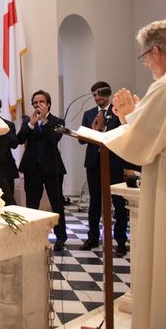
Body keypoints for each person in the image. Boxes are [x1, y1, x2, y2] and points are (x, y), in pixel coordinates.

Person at [100, 19, 166, 329]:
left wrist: (126, 116)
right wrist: (138, 115)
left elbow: (140, 145)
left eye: (145, 57)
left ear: (156, 51)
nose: (146, 64)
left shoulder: (163, 86)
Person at [79, 81, 131, 255]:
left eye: (100, 93)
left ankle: (121, 240)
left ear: (108, 93)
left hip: (114, 163)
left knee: (118, 203)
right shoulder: (89, 114)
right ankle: (93, 237)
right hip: (94, 163)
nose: (97, 97)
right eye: (94, 95)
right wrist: (94, 130)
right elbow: (82, 139)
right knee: (95, 202)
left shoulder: (117, 112)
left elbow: (122, 134)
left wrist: (103, 130)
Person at [17, 90, 67, 252]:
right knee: (31, 203)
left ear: (48, 104)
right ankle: (32, 234)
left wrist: (44, 121)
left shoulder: (57, 121)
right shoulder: (27, 120)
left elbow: (54, 140)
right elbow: (19, 140)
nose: (37, 104)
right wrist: (31, 125)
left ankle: (60, 237)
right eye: (35, 102)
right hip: (32, 168)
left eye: (41, 102)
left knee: (57, 203)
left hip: (53, 168)